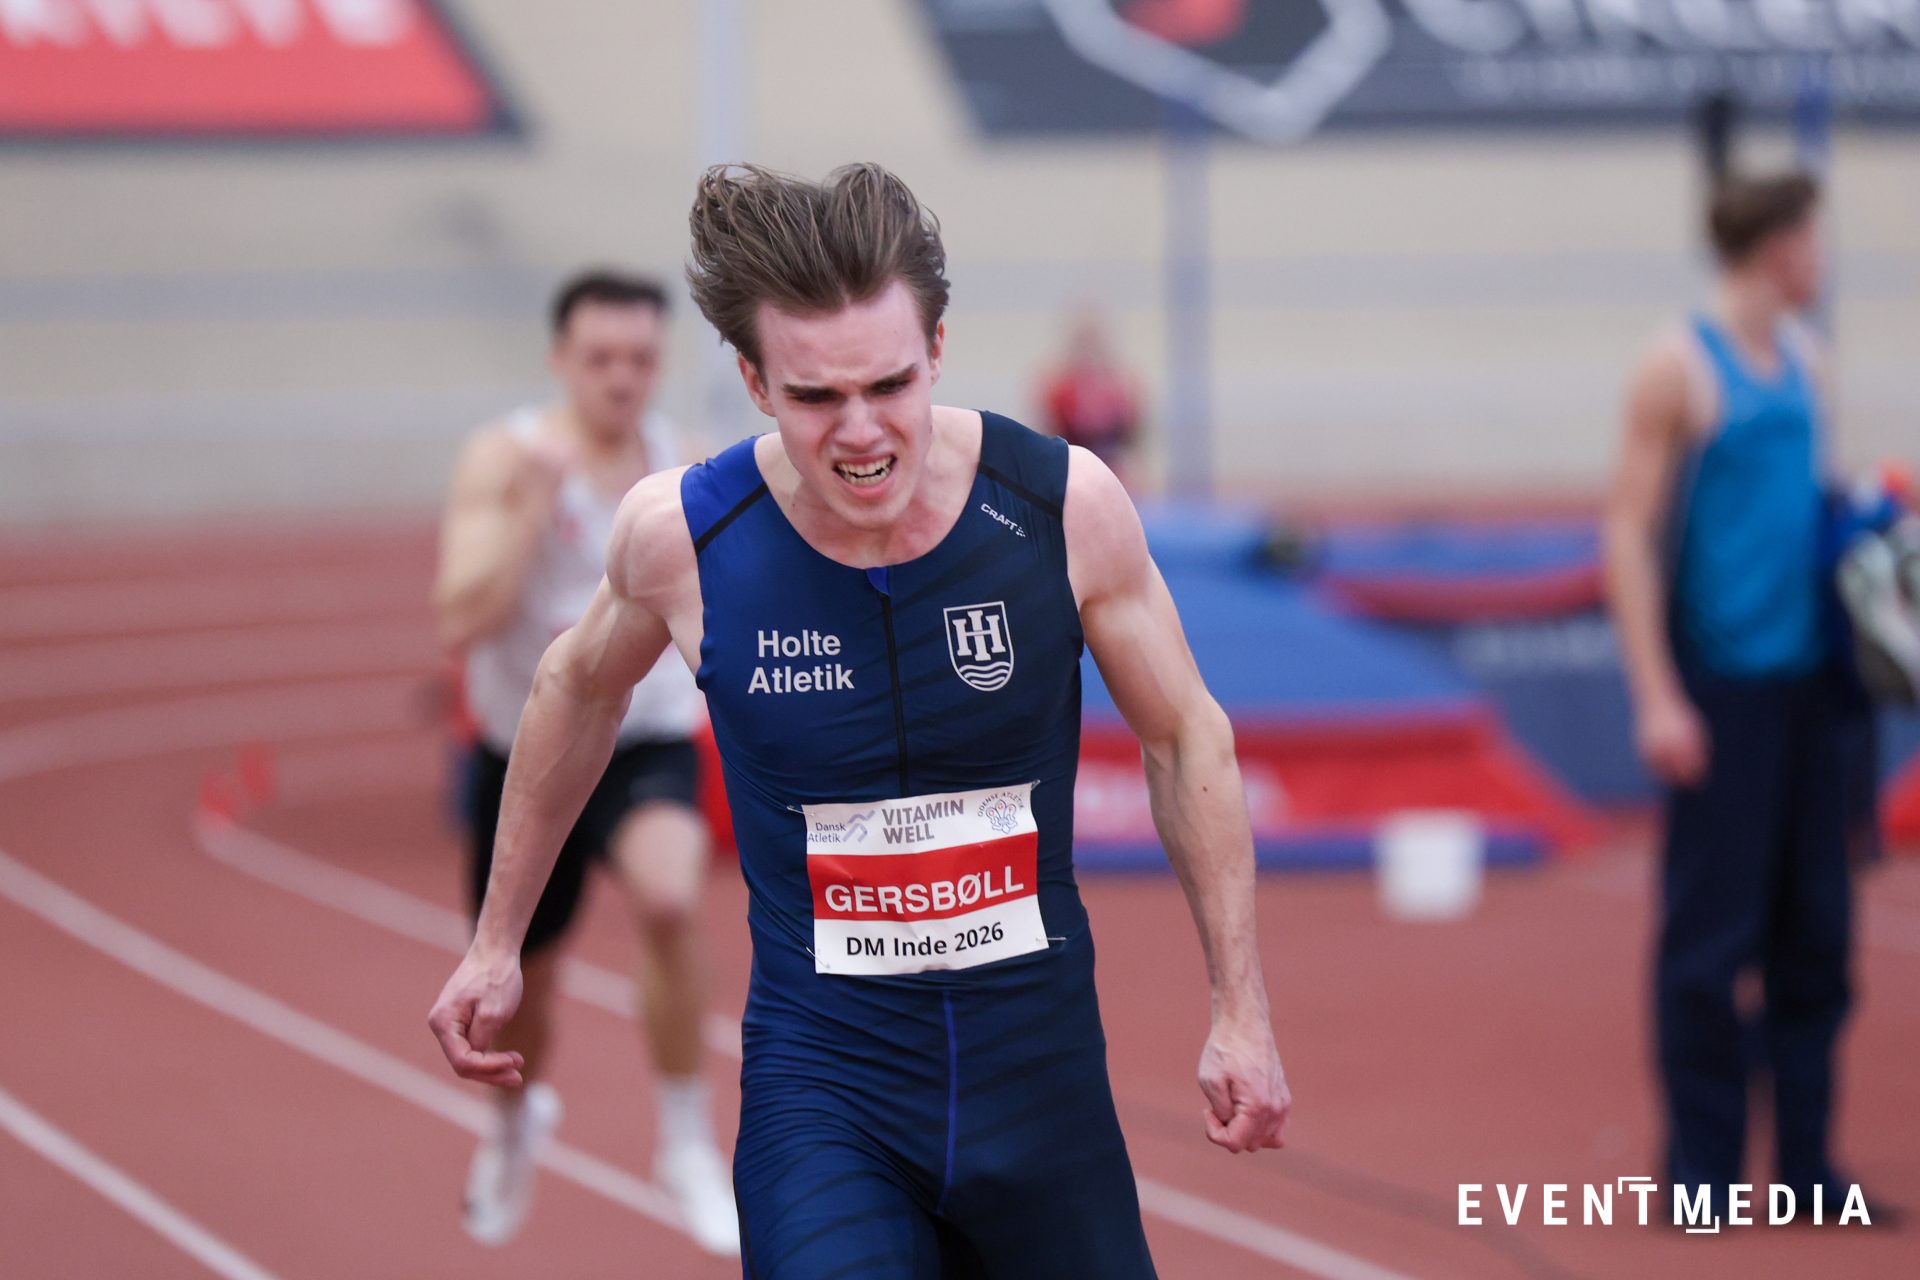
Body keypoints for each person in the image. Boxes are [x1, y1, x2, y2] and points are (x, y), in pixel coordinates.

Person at [430, 164, 1291, 1278]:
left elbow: (1184, 738)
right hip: (825, 1092)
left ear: (937, 349)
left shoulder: (1059, 507)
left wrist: (1241, 1006)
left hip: (1041, 1088)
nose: (863, 432)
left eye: (890, 384)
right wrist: (497, 941)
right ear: (753, 381)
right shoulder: (685, 535)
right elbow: (574, 690)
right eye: (816, 398)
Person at [431, 270, 738, 1254]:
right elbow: (460, 616)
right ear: (561, 359)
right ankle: (514, 1125)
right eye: (600, 358)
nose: (621, 378)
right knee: (525, 976)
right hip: (525, 753)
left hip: (645, 740)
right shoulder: (505, 457)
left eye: (640, 358)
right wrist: (532, 507)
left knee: (671, 899)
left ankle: (685, 1140)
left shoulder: (686, 467)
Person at [1602, 172, 1862, 1218]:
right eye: (1815, 239)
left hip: (1812, 689)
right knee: (1711, 939)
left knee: (1818, 933)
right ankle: (1703, 1170)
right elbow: (1627, 532)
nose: (1824, 258)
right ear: (1779, 246)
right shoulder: (1680, 365)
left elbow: (1808, 512)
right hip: (1722, 688)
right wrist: (1656, 696)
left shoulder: (1807, 361)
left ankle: (1807, 1165)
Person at [1037, 308, 1143, 486]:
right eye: (1083, 340)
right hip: (1071, 471)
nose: (1089, 348)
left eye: (1093, 340)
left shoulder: (1122, 387)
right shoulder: (1058, 388)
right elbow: (1047, 438)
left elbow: (1133, 440)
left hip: (1113, 471)